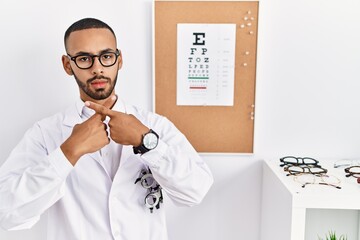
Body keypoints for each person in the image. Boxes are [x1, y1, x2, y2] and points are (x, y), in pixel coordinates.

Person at [0, 18, 213, 240]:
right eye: (84, 58)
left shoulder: (154, 125)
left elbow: (195, 191)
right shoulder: (45, 133)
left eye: (106, 56)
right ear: (67, 65)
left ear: (119, 60)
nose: (97, 68)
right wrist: (68, 153)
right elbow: (6, 212)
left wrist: (147, 142)